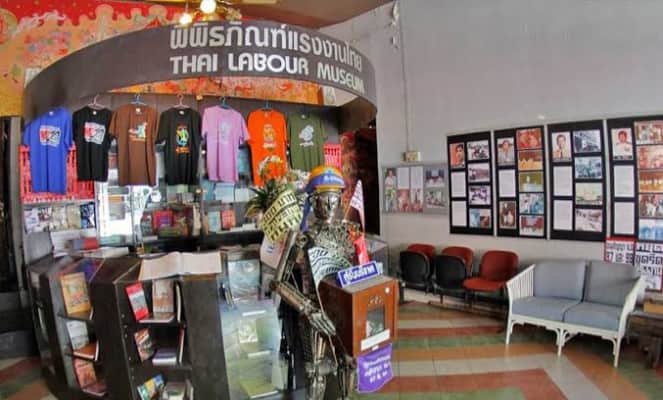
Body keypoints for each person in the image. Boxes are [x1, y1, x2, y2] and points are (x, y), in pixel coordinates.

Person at [271, 166, 358, 399]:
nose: (329, 204)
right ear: (313, 200)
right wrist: (309, 309)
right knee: (316, 372)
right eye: (323, 198)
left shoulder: (347, 233)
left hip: (344, 308)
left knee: (350, 361)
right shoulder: (302, 238)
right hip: (314, 307)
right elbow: (278, 282)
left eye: (333, 198)